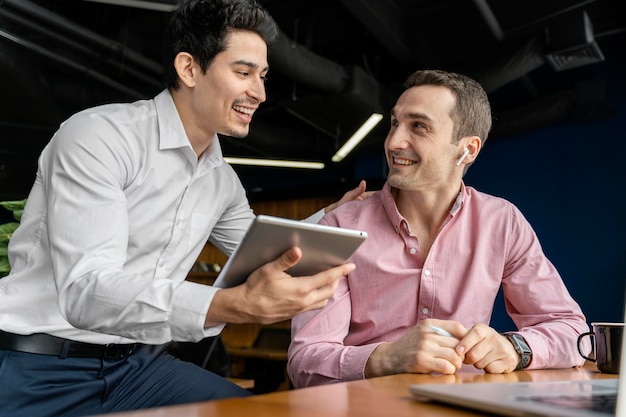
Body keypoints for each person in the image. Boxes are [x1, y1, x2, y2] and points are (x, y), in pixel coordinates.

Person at [0, 1, 365, 416]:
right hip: (37, 364)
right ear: (189, 69)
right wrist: (230, 304)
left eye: (262, 77)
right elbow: (87, 290)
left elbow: (262, 247)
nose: (260, 93)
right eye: (243, 73)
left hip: (138, 369)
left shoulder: (220, 179)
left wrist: (332, 216)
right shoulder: (99, 136)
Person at [287, 69, 590, 388]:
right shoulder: (337, 226)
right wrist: (386, 357)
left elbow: (571, 331)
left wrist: (517, 349)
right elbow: (304, 363)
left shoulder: (502, 222)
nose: (393, 142)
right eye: (394, 123)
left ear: (467, 149)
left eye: (418, 126)